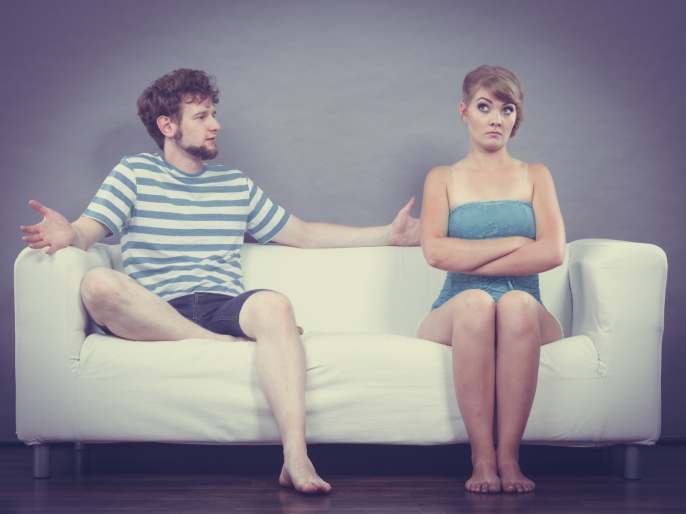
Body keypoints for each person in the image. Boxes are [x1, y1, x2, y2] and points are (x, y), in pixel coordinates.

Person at [20, 68, 420, 495]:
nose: (216, 125)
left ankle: (295, 455)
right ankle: (221, 348)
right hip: (154, 308)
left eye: (214, 114)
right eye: (202, 116)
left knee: (275, 306)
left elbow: (303, 234)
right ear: (168, 126)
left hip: (220, 304)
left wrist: (387, 235)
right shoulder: (132, 173)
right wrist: (70, 236)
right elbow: (87, 231)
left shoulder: (235, 185)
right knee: (98, 283)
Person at [417, 65, 565, 494]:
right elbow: (436, 253)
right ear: (464, 112)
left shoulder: (535, 174)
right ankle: (482, 457)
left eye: (507, 108)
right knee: (478, 301)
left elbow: (553, 252)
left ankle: (509, 458)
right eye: (485, 107)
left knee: (515, 304)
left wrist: (472, 258)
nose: (496, 118)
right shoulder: (441, 178)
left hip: (526, 303)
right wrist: (517, 242)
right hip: (458, 305)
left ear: (517, 118)